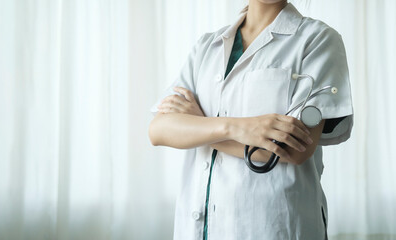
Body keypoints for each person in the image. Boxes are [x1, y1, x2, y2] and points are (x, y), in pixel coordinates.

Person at [148, 1, 354, 240]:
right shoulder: (207, 46)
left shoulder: (318, 40)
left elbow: (295, 149)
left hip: (272, 227)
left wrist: (197, 126)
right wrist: (240, 128)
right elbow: (159, 130)